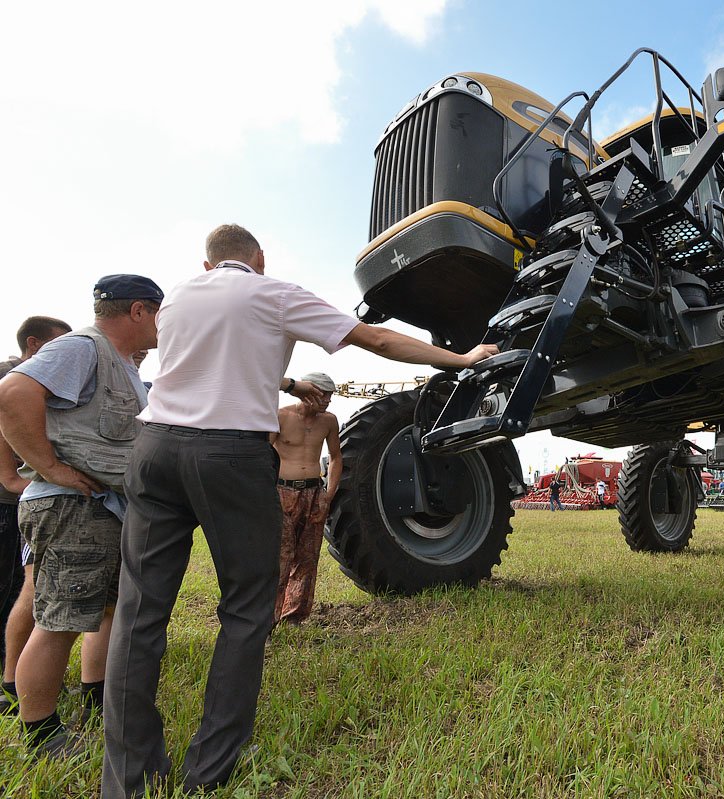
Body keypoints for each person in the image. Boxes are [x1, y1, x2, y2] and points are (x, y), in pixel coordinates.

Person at [102, 223, 498, 798]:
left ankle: (128, 778)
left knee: (140, 612)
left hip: (155, 449)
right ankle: (210, 768)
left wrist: (281, 379)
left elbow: (204, 358)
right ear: (257, 258)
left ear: (208, 263)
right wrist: (459, 359)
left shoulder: (180, 296)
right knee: (245, 608)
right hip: (230, 453)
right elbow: (379, 341)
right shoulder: (274, 292)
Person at [0, 280, 162, 755]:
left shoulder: (123, 364)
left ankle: (95, 698)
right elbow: (12, 394)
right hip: (73, 505)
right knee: (60, 620)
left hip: (103, 507)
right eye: (160, 314)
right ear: (138, 311)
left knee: (106, 609)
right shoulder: (82, 347)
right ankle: (41, 732)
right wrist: (50, 468)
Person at [0, 316, 72, 716]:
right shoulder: (19, 377)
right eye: (60, 345)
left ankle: (16, 680)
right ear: (33, 344)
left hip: (34, 499)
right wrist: (11, 477)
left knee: (29, 589)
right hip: (28, 500)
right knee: (28, 590)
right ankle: (12, 683)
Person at [271, 371, 340, 624]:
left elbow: (335, 457)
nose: (328, 401)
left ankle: (295, 617)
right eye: (324, 396)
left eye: (331, 397)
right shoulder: (280, 415)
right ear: (309, 392)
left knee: (307, 558)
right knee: (279, 558)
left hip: (314, 493)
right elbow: (265, 454)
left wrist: (328, 495)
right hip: (282, 492)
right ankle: (268, 621)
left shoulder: (329, 421)